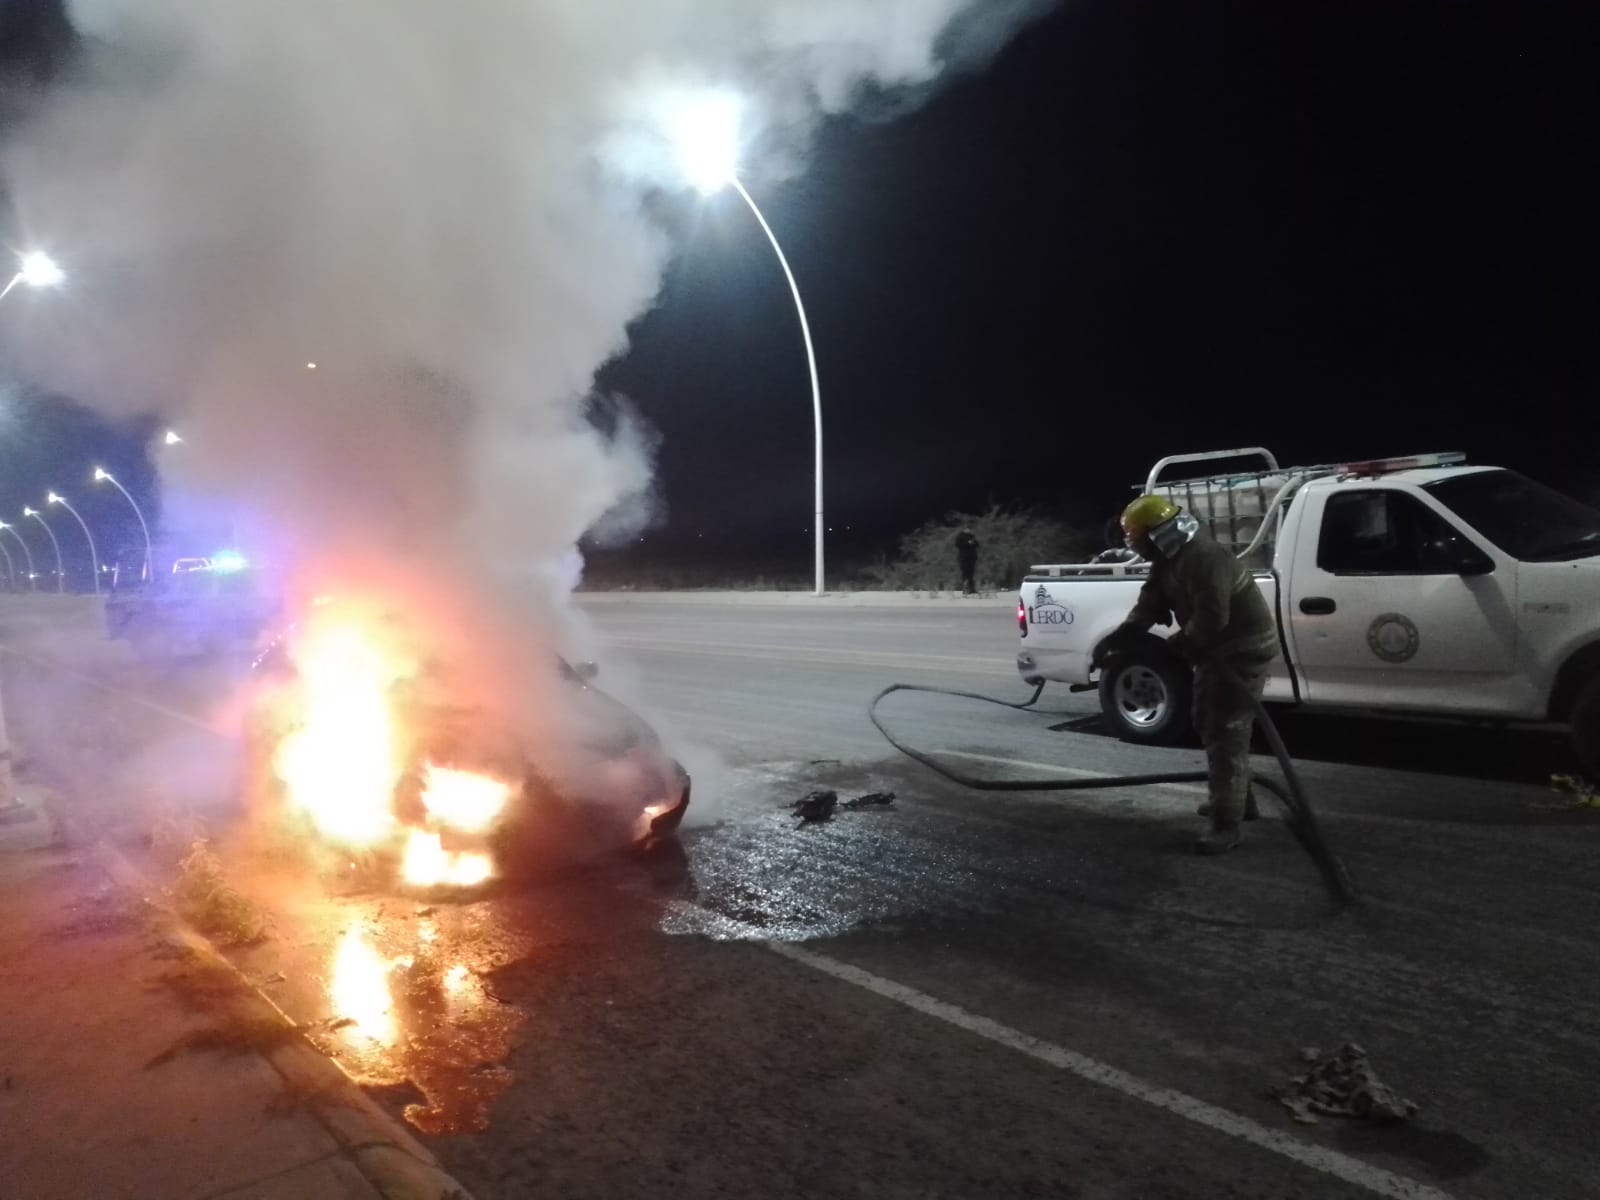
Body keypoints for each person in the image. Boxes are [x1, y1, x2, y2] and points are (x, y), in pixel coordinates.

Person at [1091, 495, 1278, 854]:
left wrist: (1173, 647)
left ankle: (1227, 824)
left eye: (1136, 536)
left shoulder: (1205, 559)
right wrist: (1114, 642)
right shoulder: (1167, 562)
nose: (1132, 544)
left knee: (1225, 729)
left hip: (1242, 650)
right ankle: (1239, 799)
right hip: (1217, 652)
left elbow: (1212, 619)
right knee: (1210, 722)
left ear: (1158, 534)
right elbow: (1146, 609)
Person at [953, 527, 979, 595]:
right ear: (964, 529)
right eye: (967, 529)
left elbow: (977, 545)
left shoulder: (972, 536)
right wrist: (967, 543)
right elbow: (957, 545)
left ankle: (972, 589)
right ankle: (965, 589)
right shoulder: (960, 536)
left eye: (969, 529)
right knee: (965, 574)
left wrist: (974, 543)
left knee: (971, 574)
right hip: (964, 557)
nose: (968, 530)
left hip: (972, 557)